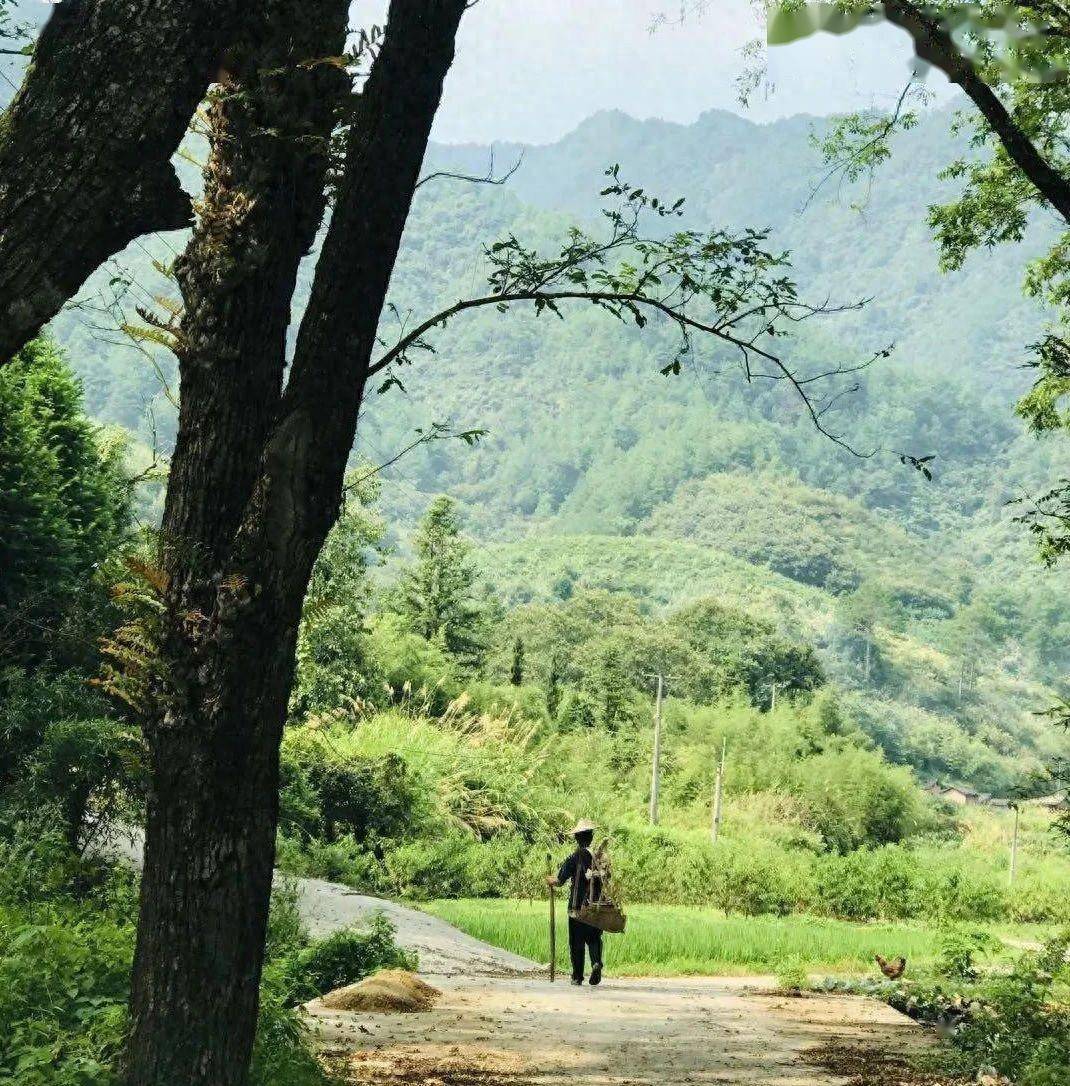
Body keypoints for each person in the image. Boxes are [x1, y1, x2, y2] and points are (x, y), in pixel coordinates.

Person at [546, 818, 604, 986]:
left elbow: (559, 880)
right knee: (594, 938)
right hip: (595, 906)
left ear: (577, 838)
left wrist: (550, 880)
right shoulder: (599, 857)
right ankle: (596, 962)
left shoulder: (574, 857)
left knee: (576, 942)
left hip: (577, 907)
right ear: (591, 837)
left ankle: (577, 976)